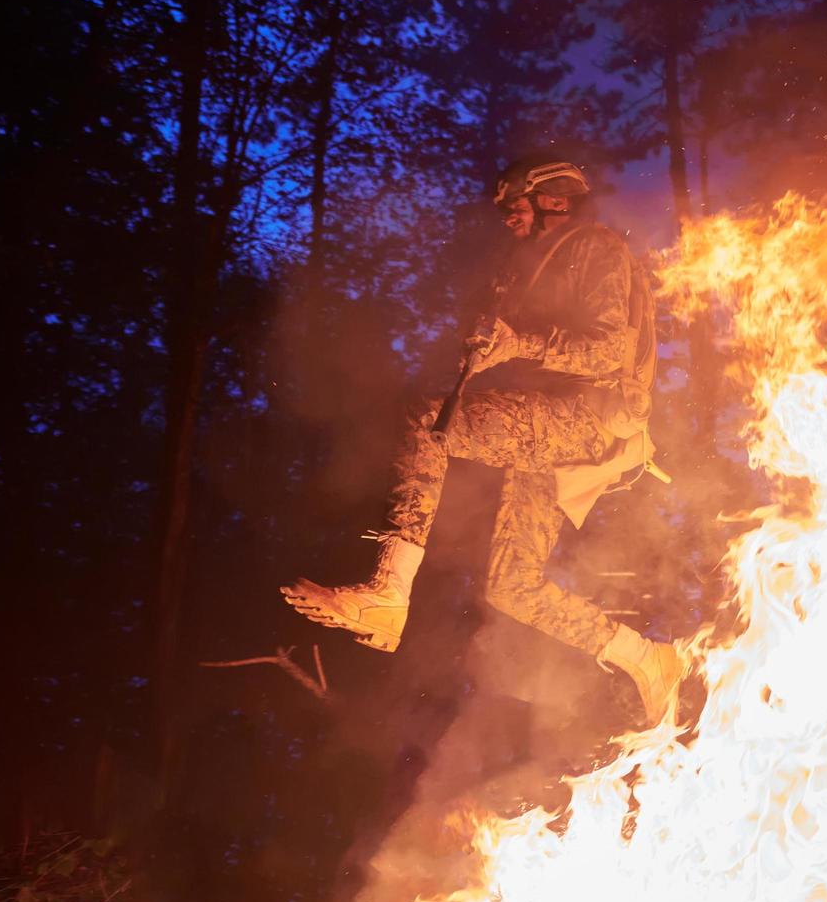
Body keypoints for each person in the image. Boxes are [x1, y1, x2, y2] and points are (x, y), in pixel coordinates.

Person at [281, 155, 682, 725]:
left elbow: (606, 351)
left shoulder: (594, 248)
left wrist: (517, 342)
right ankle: (646, 658)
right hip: (553, 428)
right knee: (512, 586)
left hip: (585, 418)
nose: (506, 218)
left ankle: (387, 594)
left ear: (553, 198)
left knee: (429, 422)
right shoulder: (531, 267)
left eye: (513, 205)